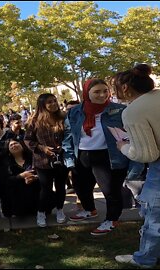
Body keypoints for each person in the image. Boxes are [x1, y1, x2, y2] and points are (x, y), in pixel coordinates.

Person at [63, 78, 129, 235]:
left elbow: (128, 133)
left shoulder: (119, 110)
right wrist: (69, 158)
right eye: (97, 92)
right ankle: (89, 209)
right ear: (87, 93)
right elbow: (68, 136)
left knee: (110, 191)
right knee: (81, 187)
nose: (102, 95)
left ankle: (112, 219)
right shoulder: (75, 111)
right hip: (83, 154)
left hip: (108, 155)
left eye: (105, 91)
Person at [111, 64, 160, 268]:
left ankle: (145, 259)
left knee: (154, 216)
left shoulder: (133, 111)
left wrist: (123, 146)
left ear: (124, 88)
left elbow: (146, 154)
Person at [24, 93, 68, 228]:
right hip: (42, 161)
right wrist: (42, 148)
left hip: (61, 159)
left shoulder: (63, 117)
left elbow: (70, 135)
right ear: (42, 105)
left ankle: (60, 210)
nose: (54, 103)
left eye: (55, 100)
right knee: (46, 189)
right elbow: (27, 140)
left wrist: (64, 146)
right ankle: (41, 212)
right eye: (50, 102)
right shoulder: (35, 120)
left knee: (61, 187)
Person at [3, 139, 40, 217]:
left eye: (16, 143)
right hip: (18, 195)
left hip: (35, 190)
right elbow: (6, 180)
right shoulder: (7, 163)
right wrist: (21, 176)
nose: (14, 146)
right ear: (8, 150)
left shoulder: (32, 158)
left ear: (22, 145)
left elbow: (42, 173)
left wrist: (35, 177)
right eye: (11, 145)